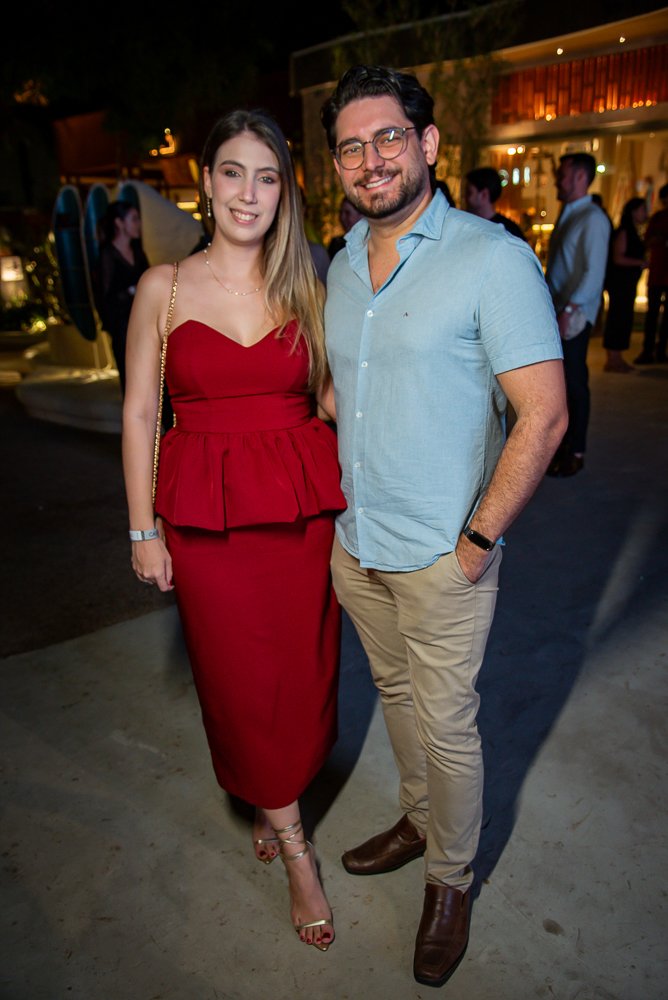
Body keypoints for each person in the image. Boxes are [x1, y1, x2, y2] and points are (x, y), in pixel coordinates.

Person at [320, 64, 567, 988]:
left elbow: (544, 416)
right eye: (351, 145)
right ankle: (419, 819)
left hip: (441, 555)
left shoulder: (491, 258)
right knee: (395, 694)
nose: (370, 159)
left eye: (389, 136)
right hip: (359, 544)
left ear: (427, 144)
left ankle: (451, 881)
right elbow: (346, 388)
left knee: (449, 724)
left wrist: (477, 542)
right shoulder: (342, 262)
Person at [122, 109, 346, 952]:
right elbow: (141, 413)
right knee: (238, 680)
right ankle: (297, 852)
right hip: (208, 523)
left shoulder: (307, 282)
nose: (248, 193)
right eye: (232, 172)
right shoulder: (164, 288)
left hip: (301, 514)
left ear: (284, 191)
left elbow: (330, 397)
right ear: (205, 182)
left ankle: (271, 795)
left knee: (303, 676)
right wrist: (141, 530)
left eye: (267, 176)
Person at [545, 153, 609, 477]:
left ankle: (576, 450)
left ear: (582, 177)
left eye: (564, 174)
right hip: (558, 310)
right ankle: (563, 445)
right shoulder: (571, 214)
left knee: (574, 382)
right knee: (560, 384)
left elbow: (593, 273)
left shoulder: (593, 218)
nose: (558, 179)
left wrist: (569, 311)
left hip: (574, 315)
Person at [96, 200, 150, 393]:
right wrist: (130, 291)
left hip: (144, 326)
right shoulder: (107, 255)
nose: (138, 224)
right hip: (123, 328)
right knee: (132, 381)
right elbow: (104, 297)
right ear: (119, 223)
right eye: (134, 219)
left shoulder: (138, 252)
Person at [602, 197, 647, 372]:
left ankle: (617, 357)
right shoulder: (624, 232)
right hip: (620, 283)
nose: (645, 213)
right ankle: (613, 359)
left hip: (627, 283)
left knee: (623, 318)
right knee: (617, 318)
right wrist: (640, 263)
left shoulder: (632, 232)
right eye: (642, 209)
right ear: (633, 212)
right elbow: (618, 258)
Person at [635, 181, 668, 364]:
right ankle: (648, 350)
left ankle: (661, 350)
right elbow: (647, 241)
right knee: (652, 314)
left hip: (661, 271)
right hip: (657, 272)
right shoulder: (657, 218)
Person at [464, 166, 527, 241]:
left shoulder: (509, 232)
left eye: (469, 192)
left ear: (484, 195)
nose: (465, 197)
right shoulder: (509, 229)